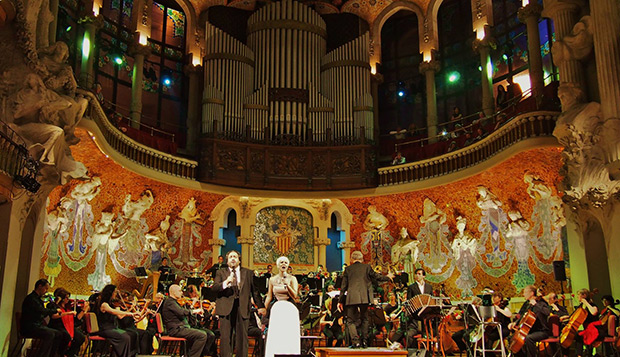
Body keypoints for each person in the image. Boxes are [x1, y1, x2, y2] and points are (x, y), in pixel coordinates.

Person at [213, 250, 266, 357]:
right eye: (231, 257)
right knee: (226, 338)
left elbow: (254, 291)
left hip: (242, 307)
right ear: (227, 261)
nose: (233, 259)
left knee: (242, 338)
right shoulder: (221, 273)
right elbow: (214, 288)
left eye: (235, 257)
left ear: (239, 260)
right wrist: (225, 282)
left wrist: (260, 306)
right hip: (225, 308)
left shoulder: (248, 273)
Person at [338, 250, 394, 348]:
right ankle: (364, 342)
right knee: (365, 319)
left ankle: (356, 342)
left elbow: (343, 287)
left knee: (350, 321)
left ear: (352, 259)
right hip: (364, 298)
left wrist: (340, 301)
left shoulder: (348, 269)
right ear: (362, 259)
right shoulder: (367, 267)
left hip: (351, 298)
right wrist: (387, 277)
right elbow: (376, 277)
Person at [161, 284, 211, 357]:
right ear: (174, 292)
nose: (181, 293)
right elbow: (181, 312)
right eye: (180, 291)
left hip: (182, 328)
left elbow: (183, 312)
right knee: (202, 335)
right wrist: (194, 311)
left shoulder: (174, 302)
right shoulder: (169, 302)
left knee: (206, 334)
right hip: (176, 330)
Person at [20, 279, 64, 357]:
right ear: (40, 286)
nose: (46, 291)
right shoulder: (31, 299)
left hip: (37, 326)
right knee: (50, 334)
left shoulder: (38, 299)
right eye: (46, 288)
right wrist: (54, 310)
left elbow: (41, 313)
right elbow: (41, 310)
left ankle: (52, 355)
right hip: (29, 327)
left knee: (58, 334)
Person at [94, 284, 138, 357]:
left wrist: (132, 311)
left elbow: (120, 316)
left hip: (113, 328)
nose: (116, 294)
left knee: (129, 335)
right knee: (125, 337)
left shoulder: (113, 304)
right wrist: (129, 314)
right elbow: (112, 311)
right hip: (105, 329)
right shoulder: (104, 304)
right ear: (110, 293)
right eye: (114, 292)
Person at [508, 285, 550, 357]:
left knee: (528, 338)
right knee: (512, 338)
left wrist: (536, 305)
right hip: (530, 331)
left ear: (531, 293)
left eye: (525, 292)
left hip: (542, 331)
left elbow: (547, 312)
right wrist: (515, 323)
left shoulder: (541, 303)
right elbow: (522, 316)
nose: (523, 294)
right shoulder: (528, 304)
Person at [46, 287, 87, 357]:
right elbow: (54, 316)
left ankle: (68, 354)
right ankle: (60, 353)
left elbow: (78, 318)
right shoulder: (52, 305)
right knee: (66, 336)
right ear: (61, 298)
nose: (68, 300)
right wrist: (68, 313)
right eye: (66, 298)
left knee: (81, 337)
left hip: (68, 326)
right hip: (57, 326)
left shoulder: (68, 306)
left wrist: (84, 309)